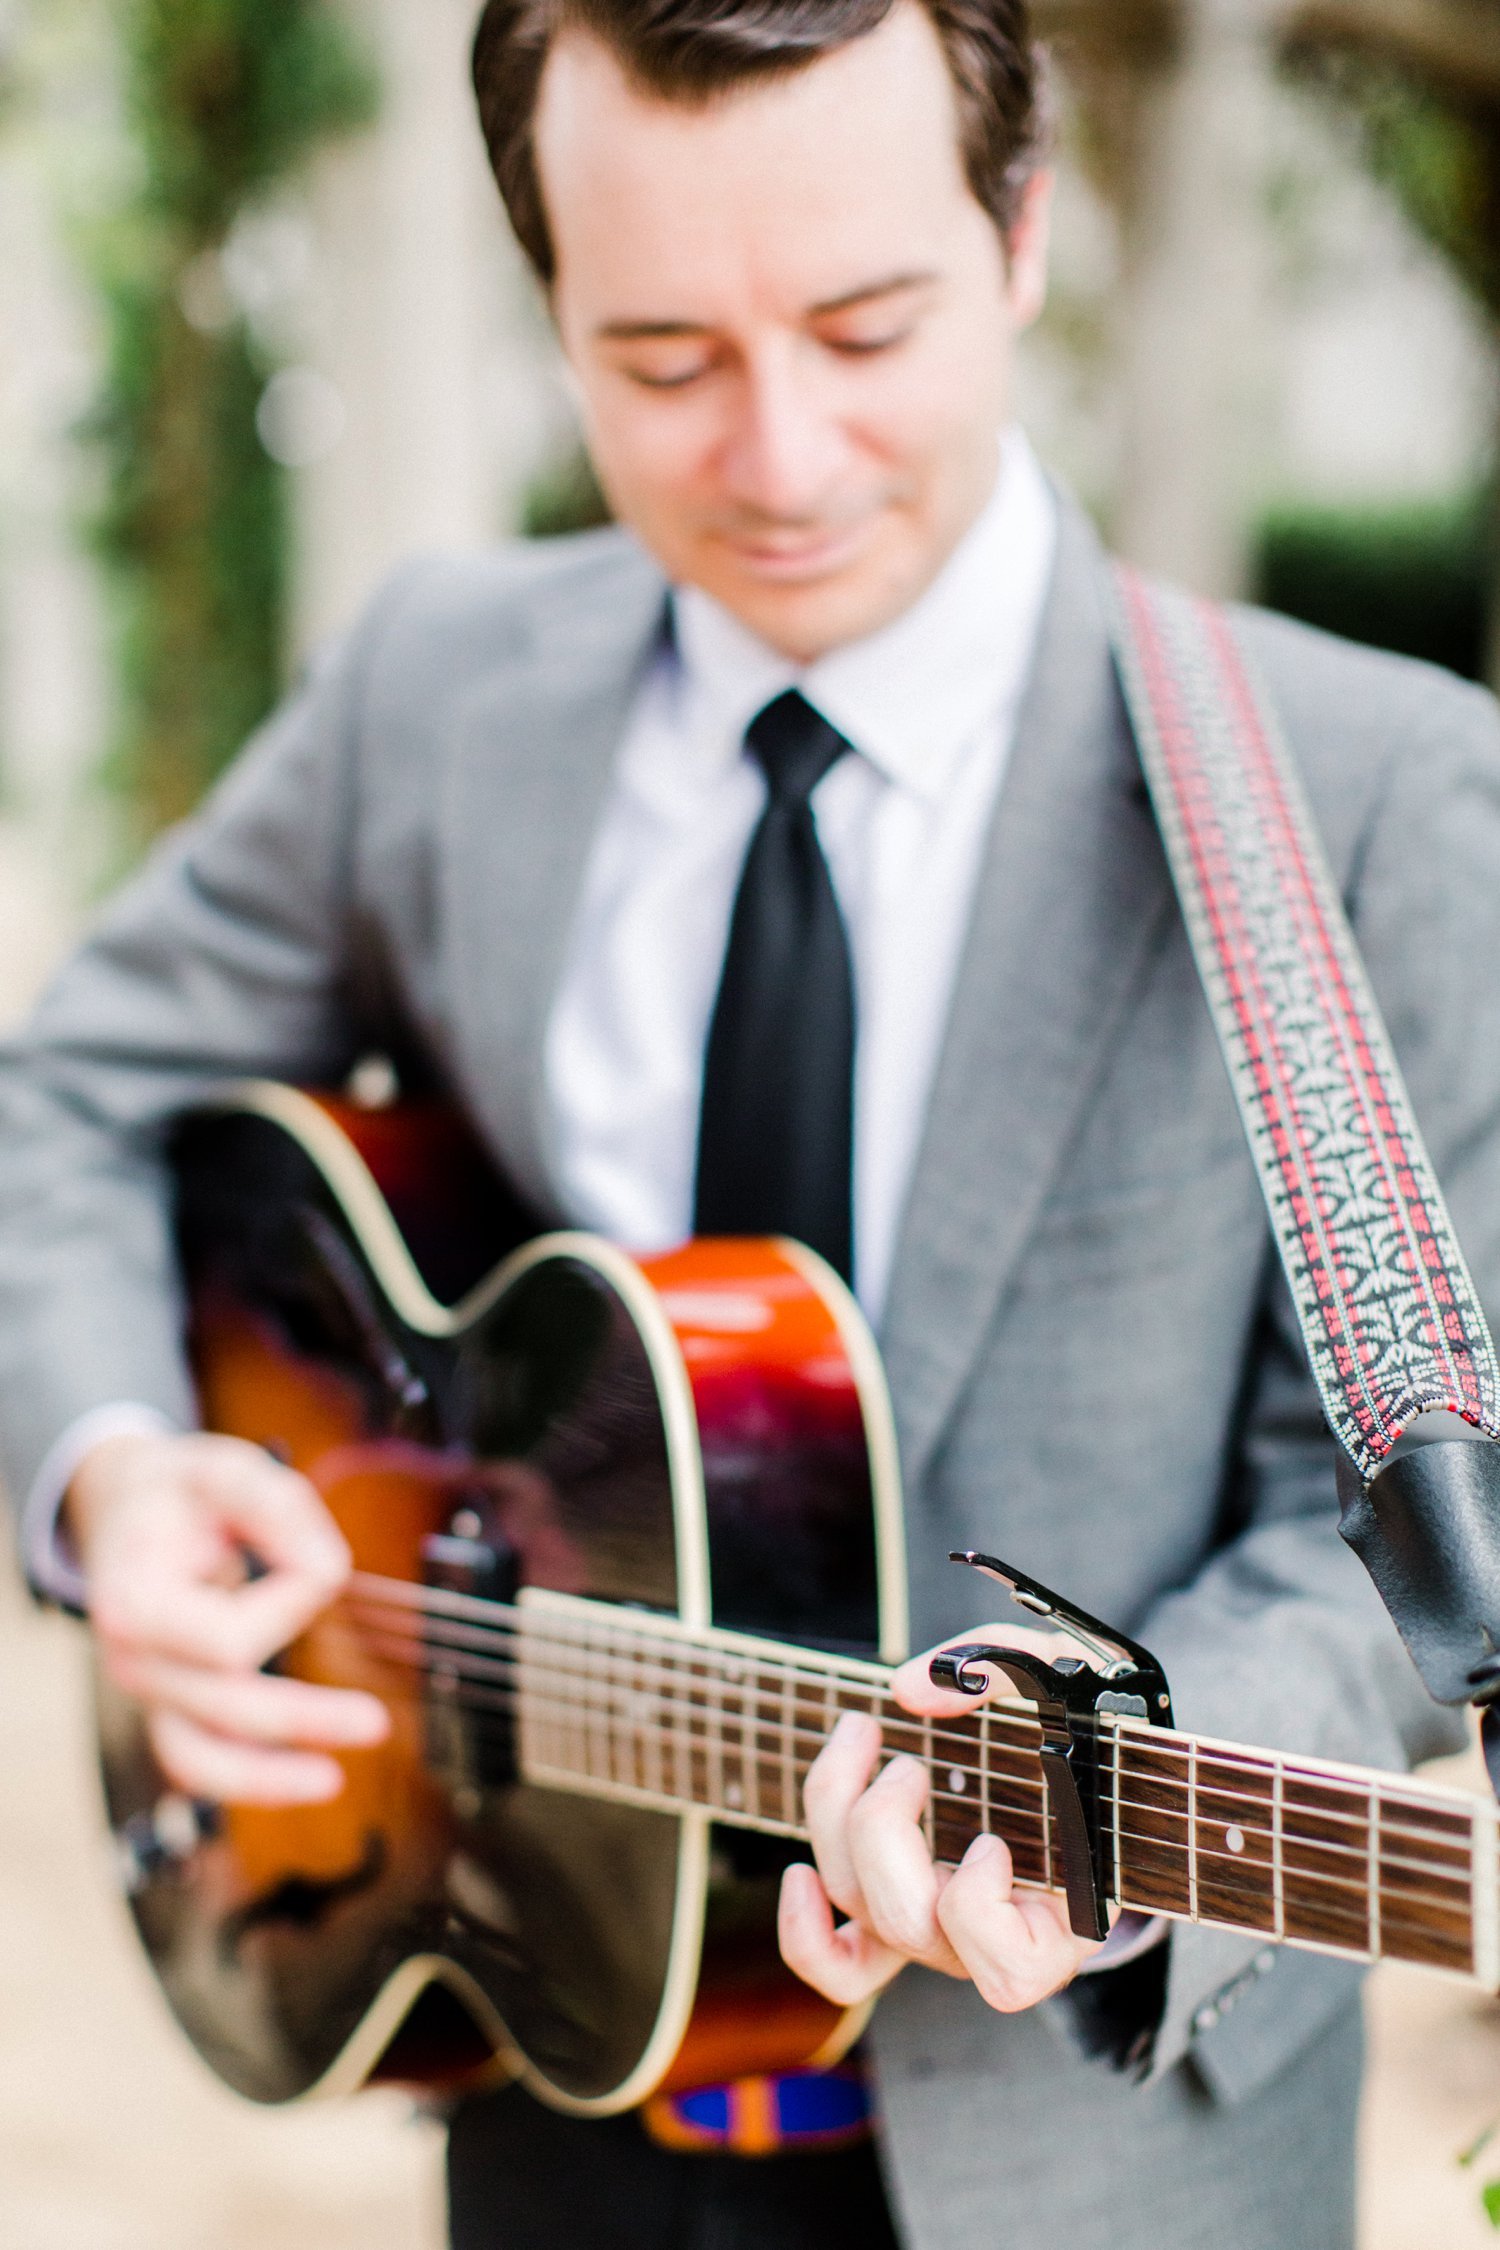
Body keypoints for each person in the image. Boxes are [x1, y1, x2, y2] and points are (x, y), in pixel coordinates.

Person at [2, 1, 1497, 2244]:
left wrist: (1117, 1726)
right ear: (553, 311)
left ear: (1019, 234)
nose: (780, 454)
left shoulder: (1374, 796)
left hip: (1103, 2168)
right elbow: (72, 1093)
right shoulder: (437, 697)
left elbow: (1418, 1514)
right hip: (540, 2077)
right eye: (664, 358)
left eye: (864, 325)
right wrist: (115, 1471)